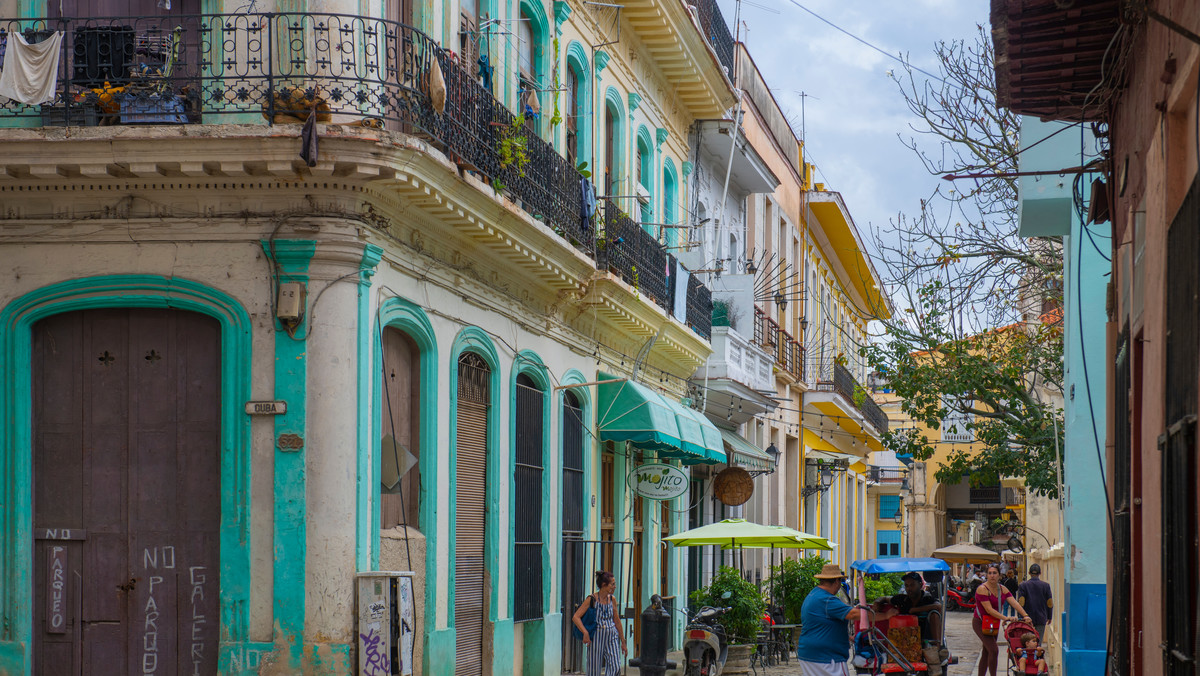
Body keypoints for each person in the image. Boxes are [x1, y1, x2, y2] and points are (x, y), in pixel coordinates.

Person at [797, 563, 898, 676]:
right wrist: (885, 615)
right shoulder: (826, 600)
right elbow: (854, 614)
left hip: (809, 654)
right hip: (826, 657)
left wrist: (847, 637)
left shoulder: (814, 594)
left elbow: (822, 624)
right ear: (836, 581)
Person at [973, 563, 1032, 676]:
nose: (992, 576)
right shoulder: (982, 589)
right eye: (989, 573)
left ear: (999, 575)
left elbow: (1014, 602)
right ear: (986, 575)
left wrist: (1025, 615)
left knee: (987, 651)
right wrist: (1006, 618)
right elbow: (989, 610)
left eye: (995, 573)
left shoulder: (1002, 589)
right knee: (994, 650)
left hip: (992, 623)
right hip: (980, 622)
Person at [572, 570, 626, 676]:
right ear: (604, 585)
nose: (615, 587)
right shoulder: (591, 599)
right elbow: (576, 617)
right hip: (596, 636)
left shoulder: (612, 599)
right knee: (594, 669)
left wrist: (623, 641)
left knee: (615, 666)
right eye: (612, 584)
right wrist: (585, 633)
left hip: (611, 635)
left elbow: (617, 620)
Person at [889, 571, 943, 644]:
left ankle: (938, 646)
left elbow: (938, 606)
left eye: (912, 585)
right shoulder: (902, 599)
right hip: (904, 639)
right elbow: (886, 599)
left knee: (934, 614)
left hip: (926, 639)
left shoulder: (927, 599)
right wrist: (878, 602)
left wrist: (915, 610)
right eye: (907, 585)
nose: (909, 588)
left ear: (920, 585)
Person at [1017, 563, 1054, 638]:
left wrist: (1020, 617)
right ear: (1040, 573)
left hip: (1027, 618)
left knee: (1027, 641)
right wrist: (1049, 616)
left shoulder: (1023, 585)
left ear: (1029, 573)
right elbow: (1049, 603)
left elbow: (1021, 602)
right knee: (1038, 641)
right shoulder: (1046, 586)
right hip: (1041, 617)